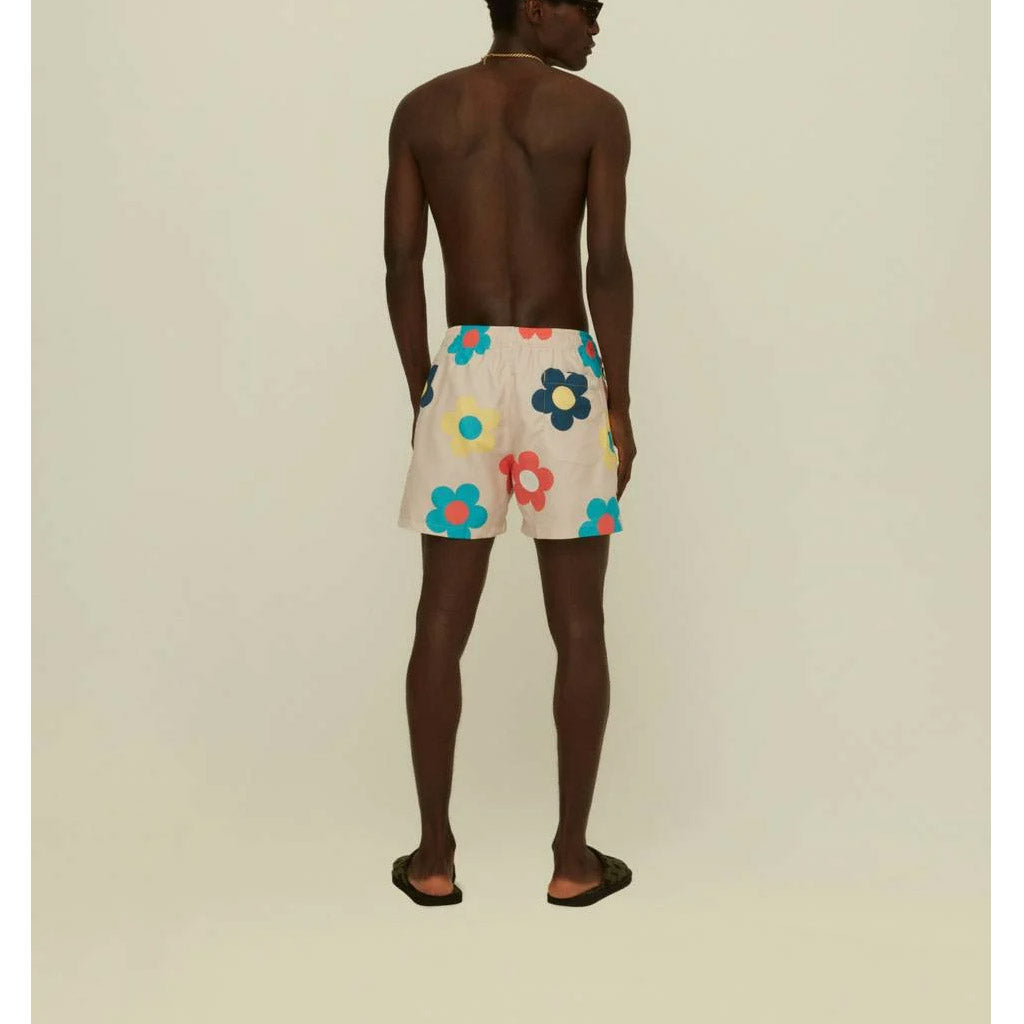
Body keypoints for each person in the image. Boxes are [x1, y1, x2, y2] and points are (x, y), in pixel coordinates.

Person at [384, 0, 636, 907]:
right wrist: (619, 402)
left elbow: (401, 263)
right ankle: (572, 861)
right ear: (535, 6)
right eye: (586, 7)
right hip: (564, 371)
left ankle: (433, 858)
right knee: (580, 625)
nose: (597, 23)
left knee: (438, 622)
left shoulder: (423, 109)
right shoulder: (594, 113)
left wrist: (425, 389)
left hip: (466, 369)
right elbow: (606, 262)